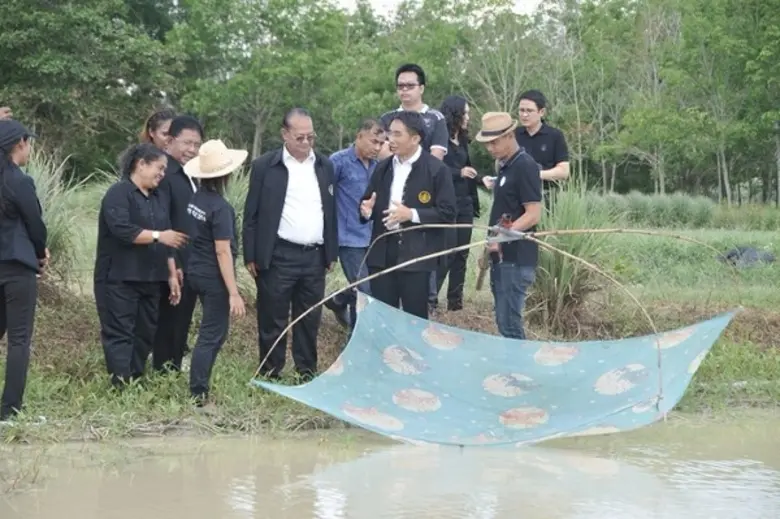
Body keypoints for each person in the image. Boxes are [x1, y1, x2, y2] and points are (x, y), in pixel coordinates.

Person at [242, 108, 338, 381]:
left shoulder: (324, 166)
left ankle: (306, 371)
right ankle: (271, 372)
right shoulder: (265, 166)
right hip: (279, 253)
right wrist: (251, 253)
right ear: (285, 134)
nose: (306, 143)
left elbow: (329, 211)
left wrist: (331, 251)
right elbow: (252, 215)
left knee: (309, 317)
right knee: (273, 316)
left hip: (314, 255)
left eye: (311, 137)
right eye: (300, 138)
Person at [96, 143, 187, 388]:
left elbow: (168, 240)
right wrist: (158, 235)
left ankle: (136, 379)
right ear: (141, 164)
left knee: (145, 332)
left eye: (165, 169)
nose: (162, 173)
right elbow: (123, 231)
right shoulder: (119, 193)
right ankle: (120, 384)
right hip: (120, 278)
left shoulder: (158, 199)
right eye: (159, 167)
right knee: (120, 332)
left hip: (151, 277)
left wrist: (171, 274)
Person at [359, 111, 456, 320]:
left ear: (415, 138)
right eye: (389, 134)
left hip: (416, 255)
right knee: (384, 316)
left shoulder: (436, 170)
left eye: (397, 134)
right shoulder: (383, 168)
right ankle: (386, 353)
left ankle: (414, 353)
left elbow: (447, 213)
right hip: (382, 252)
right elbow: (369, 201)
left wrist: (411, 214)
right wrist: (366, 211)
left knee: (414, 318)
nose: (390, 140)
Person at [377, 63, 450, 312]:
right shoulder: (387, 118)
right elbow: (382, 153)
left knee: (415, 312)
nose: (404, 90)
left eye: (410, 85)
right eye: (400, 86)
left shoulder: (435, 119)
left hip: (418, 238)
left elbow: (436, 156)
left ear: (421, 88)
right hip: (385, 243)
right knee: (384, 311)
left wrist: (412, 213)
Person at [183, 139, 248, 407]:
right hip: (212, 277)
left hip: (193, 271)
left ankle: (198, 385)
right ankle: (198, 393)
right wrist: (233, 292)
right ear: (227, 175)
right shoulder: (221, 209)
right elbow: (223, 251)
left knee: (210, 333)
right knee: (212, 334)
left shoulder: (194, 200)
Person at [475, 112, 542, 340]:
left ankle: (520, 373)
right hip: (501, 257)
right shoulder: (504, 166)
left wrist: (501, 234)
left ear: (510, 135)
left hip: (516, 258)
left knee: (510, 324)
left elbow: (532, 215)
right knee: (503, 321)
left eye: (494, 142)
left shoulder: (526, 165)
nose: (490, 148)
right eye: (487, 144)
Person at [0, 119, 48, 422]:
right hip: (17, 266)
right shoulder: (19, 181)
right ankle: (10, 410)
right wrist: (41, 252)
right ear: (20, 143)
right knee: (19, 339)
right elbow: (35, 224)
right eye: (29, 143)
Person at [152, 115, 203, 373]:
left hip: (191, 260)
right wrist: (173, 260)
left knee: (182, 319)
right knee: (169, 319)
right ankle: (164, 368)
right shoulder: (166, 174)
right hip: (173, 261)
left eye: (196, 144)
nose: (192, 150)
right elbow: (163, 220)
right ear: (170, 141)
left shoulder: (191, 174)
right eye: (187, 143)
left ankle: (172, 364)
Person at [323, 119, 385, 331]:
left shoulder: (378, 167)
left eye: (380, 143)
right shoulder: (338, 162)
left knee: (374, 286)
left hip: (372, 236)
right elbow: (324, 197)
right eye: (373, 142)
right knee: (363, 291)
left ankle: (338, 301)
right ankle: (358, 338)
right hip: (348, 237)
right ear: (359, 137)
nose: (377, 148)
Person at [433, 95, 482, 311]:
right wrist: (459, 172)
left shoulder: (462, 138)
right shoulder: (439, 138)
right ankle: (431, 299)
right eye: (466, 112)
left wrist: (482, 179)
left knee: (462, 252)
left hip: (465, 201)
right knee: (447, 252)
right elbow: (436, 169)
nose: (468, 117)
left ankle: (455, 302)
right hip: (446, 202)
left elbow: (467, 169)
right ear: (455, 113)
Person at [514, 90, 570, 203]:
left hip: (547, 197)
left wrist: (535, 174)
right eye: (521, 110)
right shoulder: (513, 135)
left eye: (529, 111)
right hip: (516, 196)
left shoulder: (555, 136)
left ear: (541, 112)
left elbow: (564, 171)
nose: (524, 115)